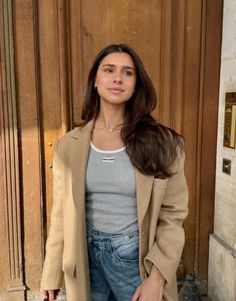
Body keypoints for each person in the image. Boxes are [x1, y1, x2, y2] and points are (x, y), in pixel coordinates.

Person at [40, 44, 188, 301]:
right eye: (109, 70)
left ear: (135, 85)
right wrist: (51, 275)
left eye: (128, 73)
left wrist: (157, 278)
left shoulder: (162, 143)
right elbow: (61, 215)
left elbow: (173, 216)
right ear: (95, 81)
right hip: (85, 260)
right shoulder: (69, 145)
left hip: (135, 260)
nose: (118, 78)